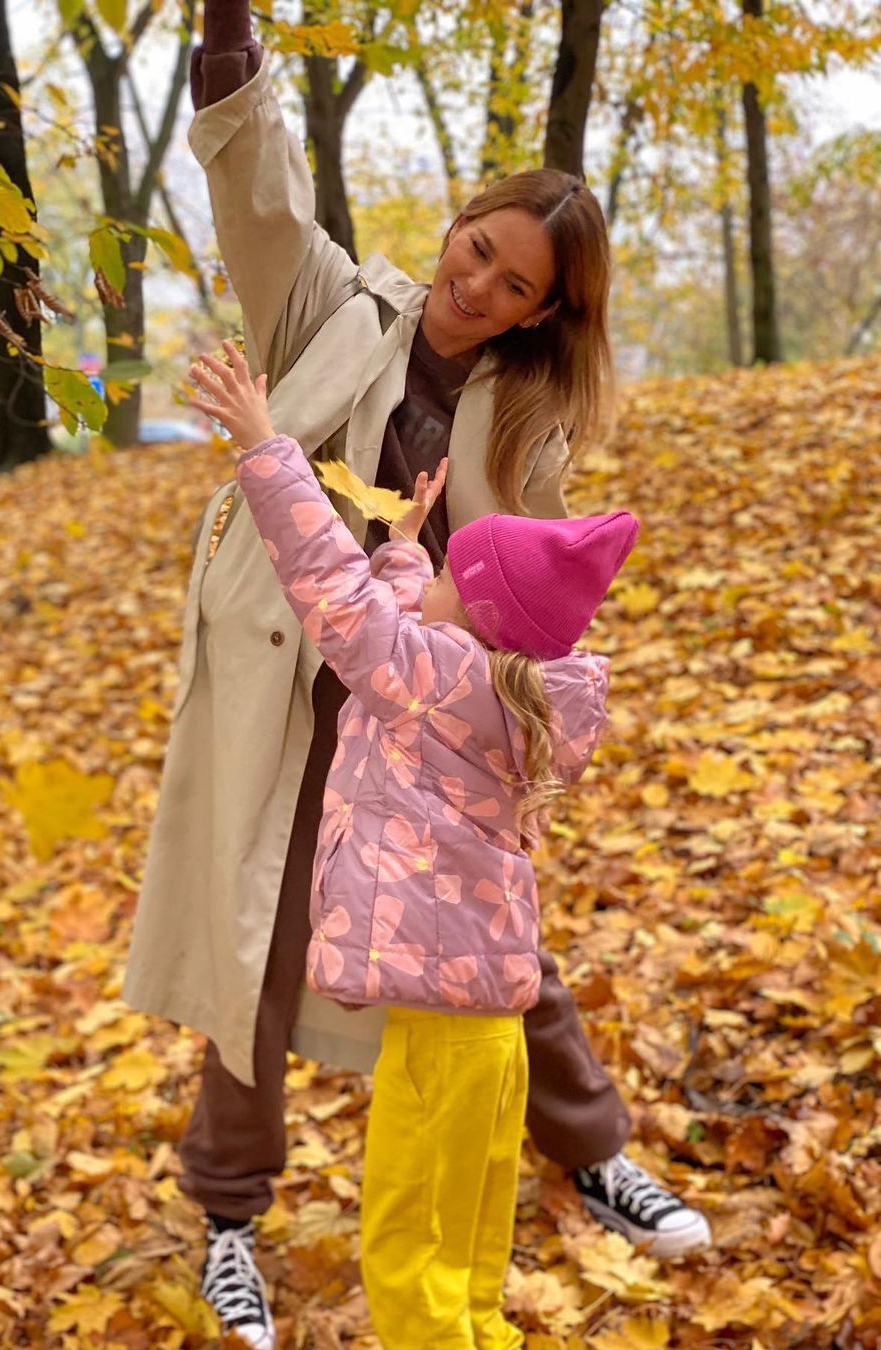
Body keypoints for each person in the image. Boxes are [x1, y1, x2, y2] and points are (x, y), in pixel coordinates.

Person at [122, 3, 711, 1343]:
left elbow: (535, 583)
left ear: (547, 308)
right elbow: (259, 192)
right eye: (477, 248)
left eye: (515, 283)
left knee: (505, 952)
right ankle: (229, 1218)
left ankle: (594, 1149)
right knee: (259, 940)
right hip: (291, 692)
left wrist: (508, 711)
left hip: (431, 707)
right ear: (455, 225)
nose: (478, 285)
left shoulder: (530, 406)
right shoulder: (332, 302)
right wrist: (229, 40)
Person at [186, 341, 637, 1347]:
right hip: (493, 1040)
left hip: (438, 1043)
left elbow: (333, 593)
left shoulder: (427, 676)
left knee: (403, 1249)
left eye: (451, 578)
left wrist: (267, 448)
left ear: (471, 620)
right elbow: (399, 604)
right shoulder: (501, 689)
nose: (430, 582)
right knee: (469, 1250)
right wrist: (415, 546)